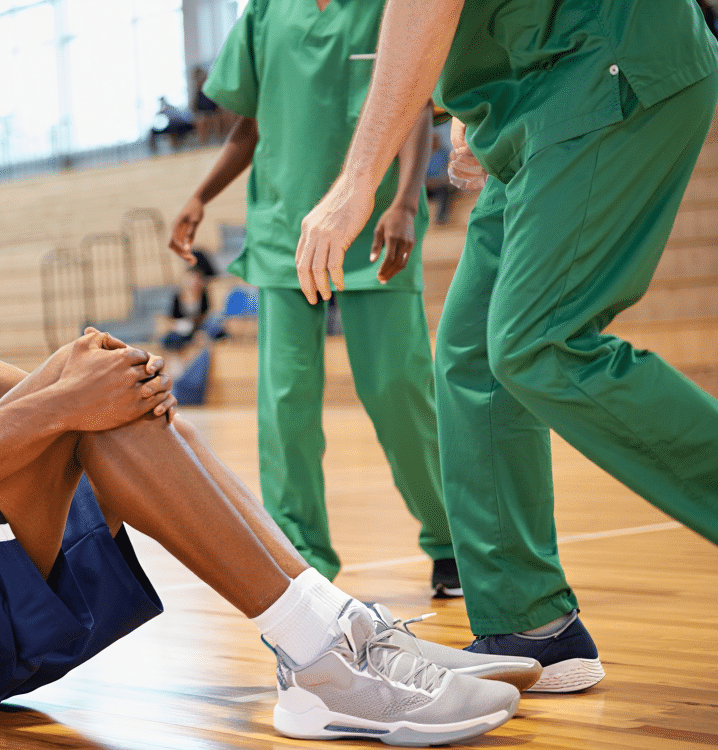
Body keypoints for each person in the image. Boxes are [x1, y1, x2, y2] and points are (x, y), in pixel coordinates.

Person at [0, 133, 540, 746]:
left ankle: (338, 629)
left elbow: (67, 405)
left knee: (93, 372)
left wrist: (113, 387)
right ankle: (323, 658)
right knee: (79, 396)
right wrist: (70, 403)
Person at [294, 0, 718, 692]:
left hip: (602, 59)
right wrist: (468, 100)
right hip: (531, 92)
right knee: (472, 359)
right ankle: (531, 627)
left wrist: (356, 181)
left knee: (539, 342)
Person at [169, 0, 459, 597]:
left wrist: (407, 201)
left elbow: (412, 111)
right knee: (285, 405)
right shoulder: (265, 13)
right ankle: (303, 561)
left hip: (376, 229)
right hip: (282, 232)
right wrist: (201, 195)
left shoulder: (389, 6)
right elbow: (250, 127)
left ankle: (450, 541)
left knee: (398, 392)